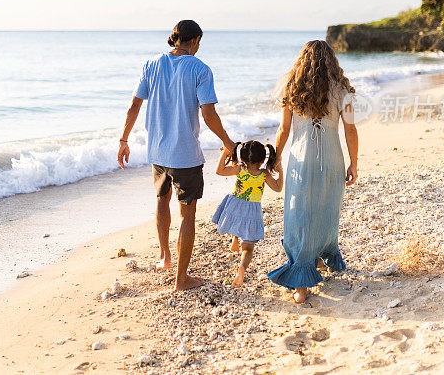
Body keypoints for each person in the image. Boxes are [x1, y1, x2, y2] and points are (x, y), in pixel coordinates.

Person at [117, 20, 236, 291]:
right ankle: (181, 280)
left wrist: (124, 140)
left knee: (161, 199)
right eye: (199, 43)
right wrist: (228, 143)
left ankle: (164, 257)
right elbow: (208, 115)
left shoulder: (151, 65)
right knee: (187, 214)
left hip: (157, 151)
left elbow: (135, 104)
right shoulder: (200, 69)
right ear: (194, 41)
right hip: (185, 155)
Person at [267, 40, 359, 303]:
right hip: (332, 158)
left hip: (300, 158)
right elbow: (350, 130)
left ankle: (302, 282)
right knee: (325, 209)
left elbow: (284, 130)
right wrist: (354, 162)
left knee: (299, 212)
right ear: (331, 60)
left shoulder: (292, 88)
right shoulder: (342, 90)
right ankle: (314, 263)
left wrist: (275, 156)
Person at [212, 140, 283, 287]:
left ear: (243, 158)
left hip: (236, 205)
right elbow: (278, 188)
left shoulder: (240, 169)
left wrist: (225, 153)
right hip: (252, 210)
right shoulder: (264, 174)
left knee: (237, 222)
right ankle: (242, 268)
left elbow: (220, 170)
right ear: (264, 159)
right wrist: (280, 170)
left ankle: (235, 239)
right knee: (249, 248)